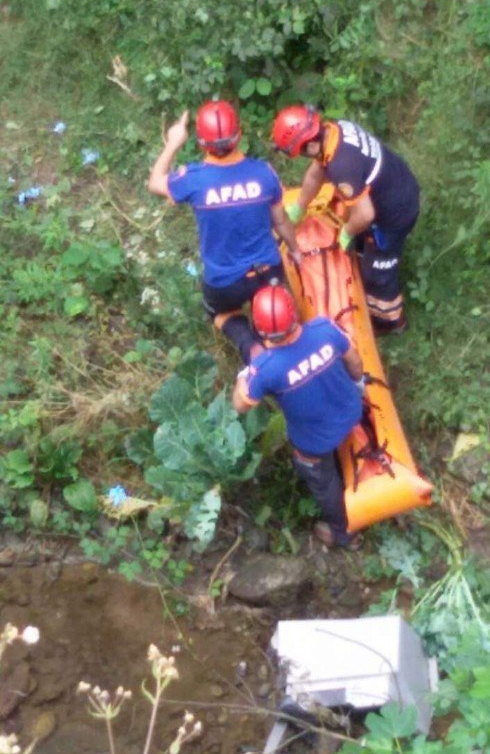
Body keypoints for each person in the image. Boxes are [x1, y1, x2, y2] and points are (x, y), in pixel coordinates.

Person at [148, 101, 301, 363]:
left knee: (217, 311)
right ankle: (275, 332)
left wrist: (173, 142)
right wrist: (296, 250)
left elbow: (154, 183)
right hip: (268, 271)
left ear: (201, 143)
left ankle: (248, 344)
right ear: (239, 136)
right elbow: (281, 221)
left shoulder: (193, 179)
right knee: (275, 313)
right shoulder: (264, 173)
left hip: (225, 282)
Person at [232, 282, 364, 548]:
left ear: (259, 329)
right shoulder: (324, 328)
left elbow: (240, 406)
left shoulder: (265, 369)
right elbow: (355, 362)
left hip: (315, 442)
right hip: (351, 412)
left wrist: (243, 376)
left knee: (324, 483)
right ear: (293, 315)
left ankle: (344, 534)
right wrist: (358, 385)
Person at [270, 105, 420, 334]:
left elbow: (366, 214)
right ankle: (363, 252)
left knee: (377, 271)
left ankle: (390, 321)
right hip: (396, 183)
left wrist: (347, 232)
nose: (300, 157)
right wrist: (299, 207)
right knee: (362, 242)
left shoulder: (343, 166)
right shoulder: (335, 131)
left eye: (300, 151)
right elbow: (315, 173)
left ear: (310, 144)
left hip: (395, 213)